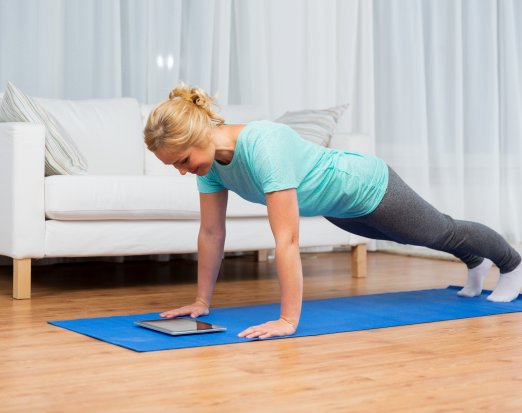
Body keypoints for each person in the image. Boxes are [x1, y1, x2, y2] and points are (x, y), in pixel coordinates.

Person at [143, 83, 522, 340]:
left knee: (438, 231)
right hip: (334, 206)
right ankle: (474, 260)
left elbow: (287, 239)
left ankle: (511, 264)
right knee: (411, 235)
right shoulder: (209, 169)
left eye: (182, 160)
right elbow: (211, 234)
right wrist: (201, 302)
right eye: (173, 166)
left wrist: (288, 319)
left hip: (366, 185)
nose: (182, 170)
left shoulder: (263, 145)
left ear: (199, 136)